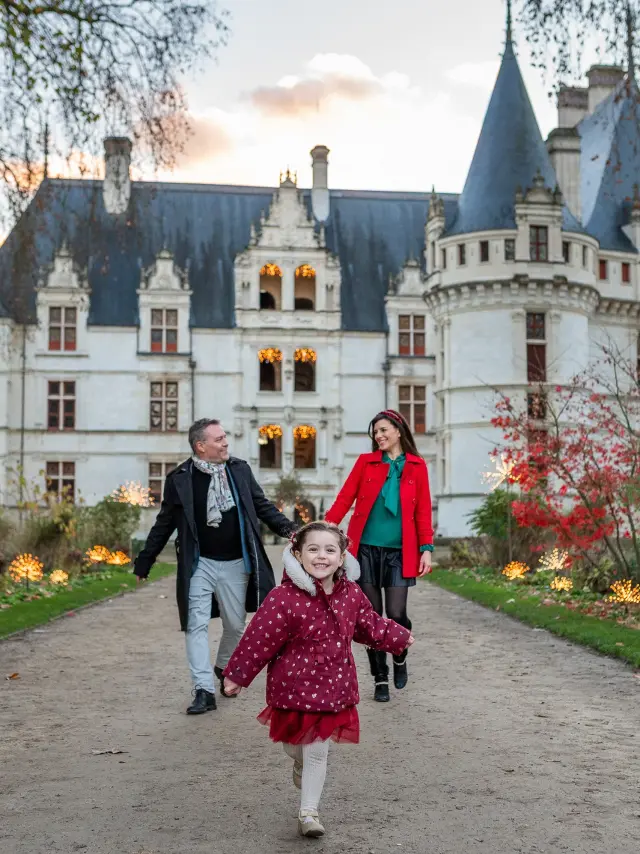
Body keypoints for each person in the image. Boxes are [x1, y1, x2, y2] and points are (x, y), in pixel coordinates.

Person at [222, 521, 412, 838]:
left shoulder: (351, 594)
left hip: (332, 686)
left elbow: (369, 626)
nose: (321, 556)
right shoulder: (282, 597)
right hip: (291, 687)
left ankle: (308, 812)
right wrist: (238, 676)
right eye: (313, 549)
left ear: (341, 557)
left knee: (317, 748)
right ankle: (297, 762)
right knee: (294, 746)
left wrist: (398, 638)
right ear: (297, 553)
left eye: (329, 550)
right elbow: (259, 639)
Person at [134, 418, 296, 715]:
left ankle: (223, 666)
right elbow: (164, 523)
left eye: (225, 438)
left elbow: (262, 507)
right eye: (219, 439)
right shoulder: (180, 479)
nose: (225, 443)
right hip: (200, 564)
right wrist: (145, 560)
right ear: (201, 446)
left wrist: (292, 531)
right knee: (195, 625)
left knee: (235, 625)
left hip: (236, 563)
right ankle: (203, 690)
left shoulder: (239, 470)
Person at [324, 409, 433, 702]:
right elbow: (345, 498)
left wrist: (427, 549)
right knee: (371, 618)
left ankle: (399, 654)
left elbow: (423, 510)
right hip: (366, 551)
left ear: (399, 430)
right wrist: (324, 527)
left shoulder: (417, 466)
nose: (379, 436)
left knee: (397, 615)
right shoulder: (366, 463)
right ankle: (380, 678)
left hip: (400, 552)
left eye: (384, 430)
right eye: (375, 432)